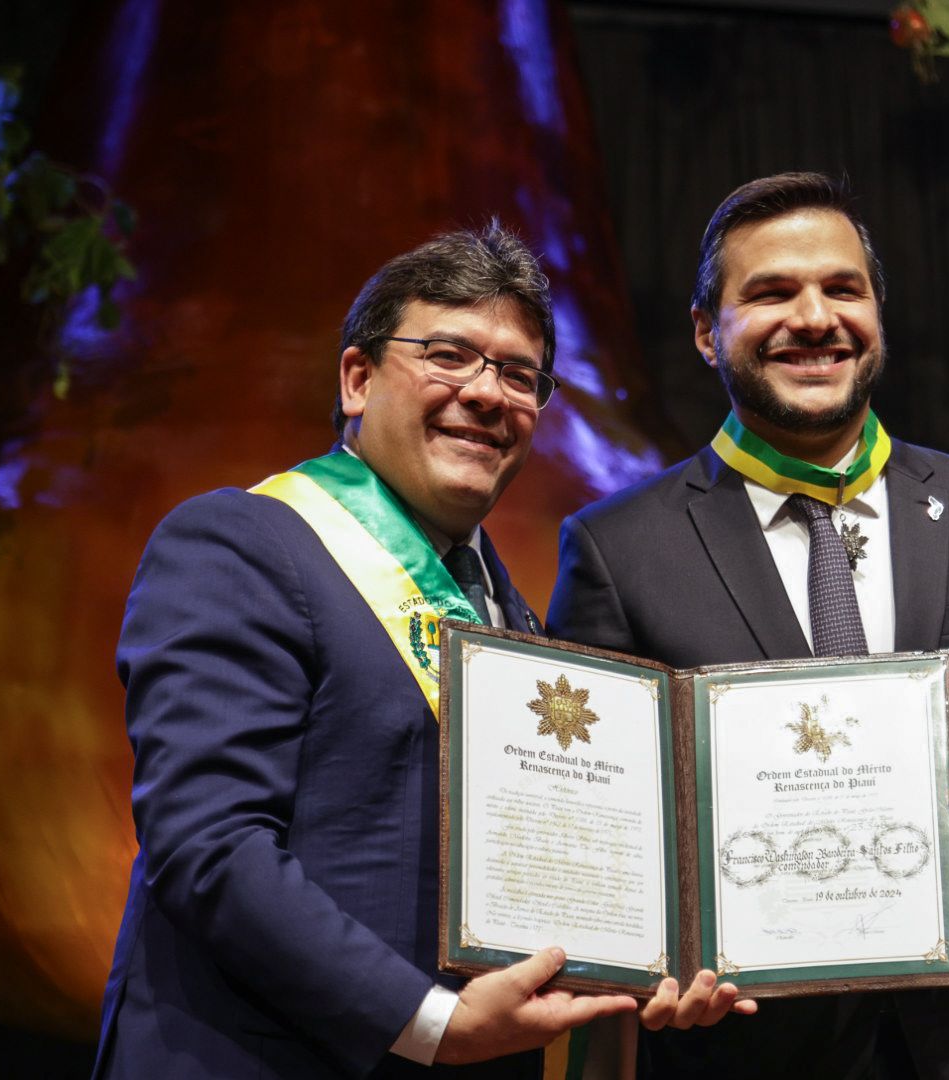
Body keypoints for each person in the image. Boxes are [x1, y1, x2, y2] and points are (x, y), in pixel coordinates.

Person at [547, 173, 949, 1079]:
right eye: (772, 293)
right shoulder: (620, 549)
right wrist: (643, 962)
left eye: (842, 288)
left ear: (877, 314)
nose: (815, 317)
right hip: (742, 1050)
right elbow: (587, 822)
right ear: (708, 332)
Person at [92, 223, 642, 1078]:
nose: (489, 393)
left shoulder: (519, 627)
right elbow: (210, 843)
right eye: (450, 355)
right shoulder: (240, 543)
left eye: (519, 374)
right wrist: (429, 1023)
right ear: (358, 378)